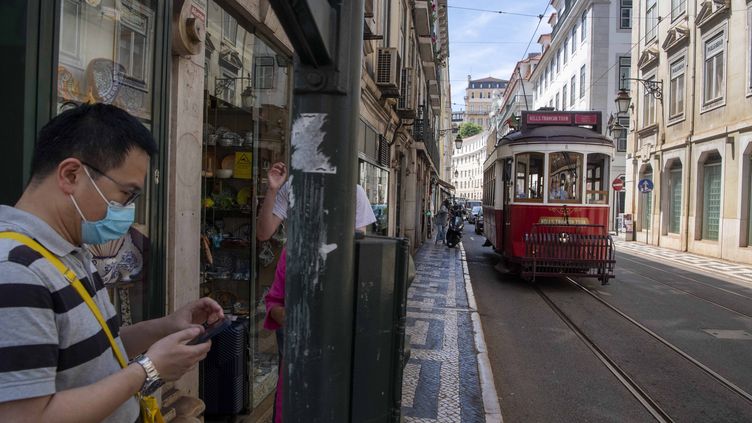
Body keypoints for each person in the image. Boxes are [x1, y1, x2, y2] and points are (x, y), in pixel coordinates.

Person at [0, 104, 224, 422]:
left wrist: (165, 327)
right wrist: (149, 369)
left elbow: (97, 352)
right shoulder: (16, 271)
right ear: (71, 175)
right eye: (126, 194)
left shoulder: (70, 250)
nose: (128, 210)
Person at [257, 162, 376, 240]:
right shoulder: (292, 187)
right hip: (295, 266)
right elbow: (263, 234)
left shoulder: (354, 192)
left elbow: (359, 236)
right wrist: (272, 190)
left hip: (334, 268)